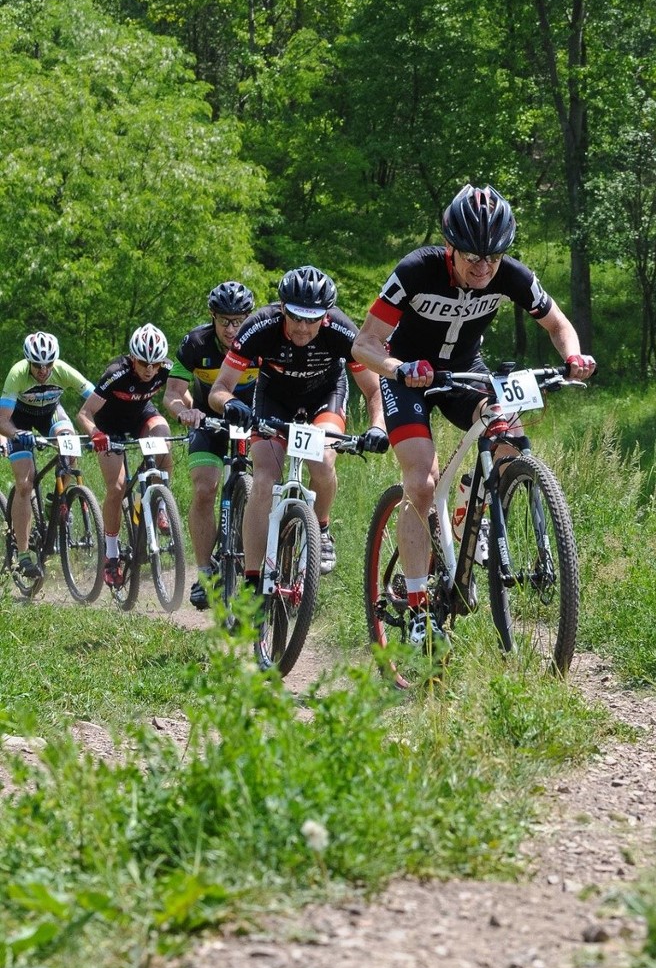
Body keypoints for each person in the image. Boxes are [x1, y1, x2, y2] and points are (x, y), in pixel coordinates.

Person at [352, 182, 597, 646]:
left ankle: (474, 512)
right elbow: (363, 345)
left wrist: (575, 358)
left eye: (493, 257)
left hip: (465, 371)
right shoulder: (415, 271)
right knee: (422, 481)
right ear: (450, 248)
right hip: (408, 375)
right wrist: (400, 368)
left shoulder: (511, 276)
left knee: (508, 432)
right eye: (472, 257)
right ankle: (420, 606)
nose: (483, 267)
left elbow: (557, 323)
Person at [208, 265, 388, 584]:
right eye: (295, 318)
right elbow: (219, 389)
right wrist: (232, 404)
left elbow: (374, 389)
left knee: (323, 460)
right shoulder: (259, 327)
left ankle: (321, 529)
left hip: (325, 395)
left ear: (326, 315)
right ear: (282, 309)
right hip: (273, 398)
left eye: (313, 319)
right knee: (263, 480)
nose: (303, 328)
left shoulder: (343, 331)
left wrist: (378, 427)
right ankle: (251, 578)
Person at [163, 281, 257, 609]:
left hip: (255, 422)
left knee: (263, 489)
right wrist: (184, 412)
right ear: (212, 318)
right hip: (209, 422)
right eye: (224, 321)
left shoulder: (261, 339)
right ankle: (204, 573)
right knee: (204, 488)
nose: (232, 329)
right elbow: (172, 393)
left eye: (239, 321)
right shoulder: (195, 343)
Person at [78, 324, 173, 587]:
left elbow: (182, 395)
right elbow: (84, 414)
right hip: (110, 427)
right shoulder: (115, 374)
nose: (150, 370)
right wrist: (95, 433)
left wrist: (193, 412)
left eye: (155, 364)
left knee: (164, 441)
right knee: (117, 487)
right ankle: (111, 555)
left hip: (141, 415)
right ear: (133, 358)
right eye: (144, 363)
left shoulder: (165, 369)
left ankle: (161, 506)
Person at [0, 332, 95, 579]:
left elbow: (96, 399)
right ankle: (23, 555)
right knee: (25, 484)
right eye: (37, 365)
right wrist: (16, 434)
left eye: (48, 365)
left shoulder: (63, 370)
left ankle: (57, 502)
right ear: (28, 362)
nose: (43, 371)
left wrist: (101, 429)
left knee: (70, 445)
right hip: (18, 420)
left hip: (51, 414)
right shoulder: (17, 374)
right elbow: (2, 420)